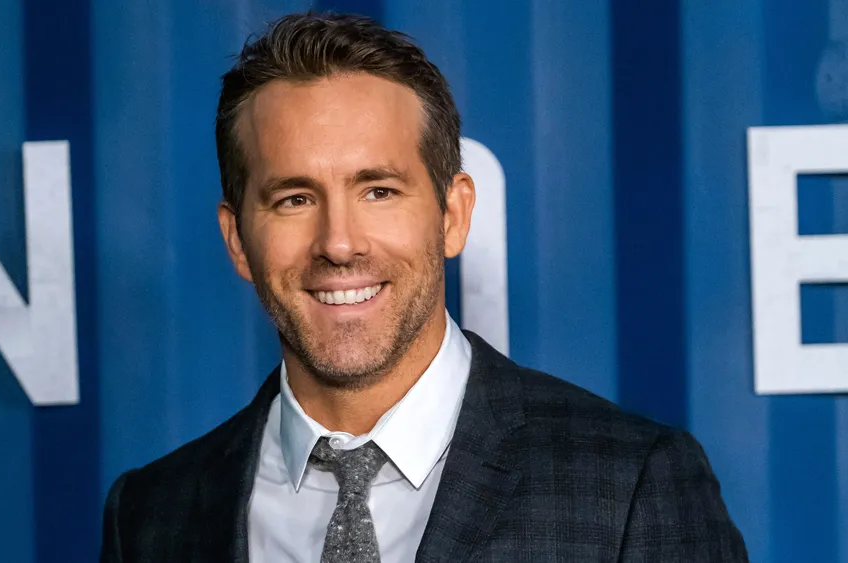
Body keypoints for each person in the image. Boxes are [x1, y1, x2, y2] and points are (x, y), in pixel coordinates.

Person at [99, 12, 747, 563]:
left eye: (378, 190)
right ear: (238, 239)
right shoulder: (151, 516)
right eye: (294, 198)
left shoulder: (630, 485)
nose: (340, 241)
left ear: (453, 214)